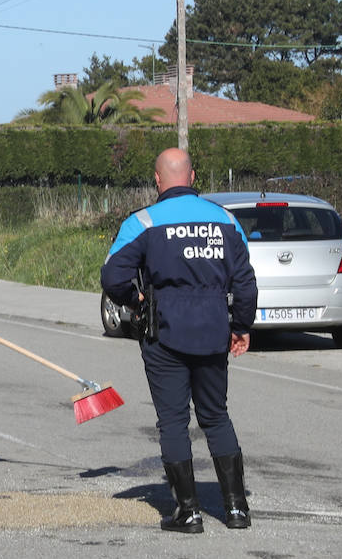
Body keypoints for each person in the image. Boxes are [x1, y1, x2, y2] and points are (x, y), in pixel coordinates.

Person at [100, 148, 258, 533]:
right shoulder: (225, 220)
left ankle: (187, 512)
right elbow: (245, 281)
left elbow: (112, 276)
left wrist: (136, 301)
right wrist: (241, 325)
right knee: (216, 415)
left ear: (157, 180)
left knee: (173, 420)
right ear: (192, 176)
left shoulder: (143, 222)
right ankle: (236, 509)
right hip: (212, 331)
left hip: (164, 332)